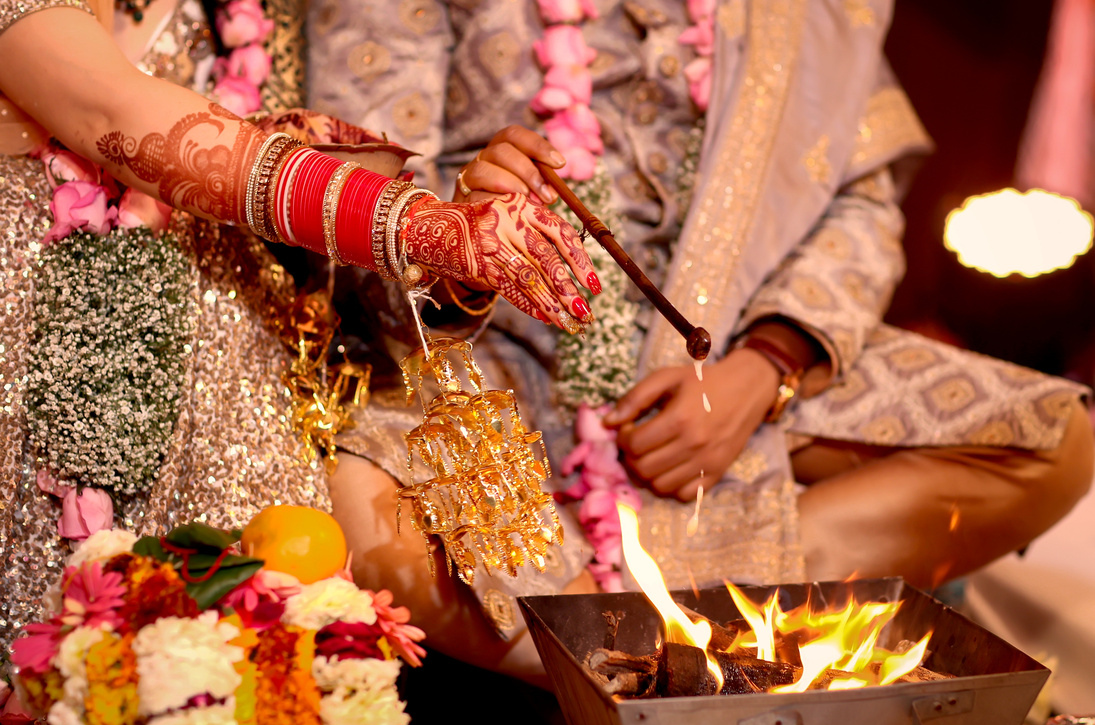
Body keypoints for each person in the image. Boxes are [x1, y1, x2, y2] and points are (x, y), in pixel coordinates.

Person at [307, 0, 1095, 683]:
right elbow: (350, 207)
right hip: (481, 365)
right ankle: (704, 666)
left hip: (726, 360)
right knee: (351, 496)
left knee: (1051, 442)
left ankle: (635, 650)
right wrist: (459, 235)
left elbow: (859, 199)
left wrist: (767, 367)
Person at [0, 0, 599, 669]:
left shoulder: (251, 15)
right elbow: (118, 117)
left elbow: (312, 245)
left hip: (245, 428)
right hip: (39, 394)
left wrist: (451, 261)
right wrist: (423, 225)